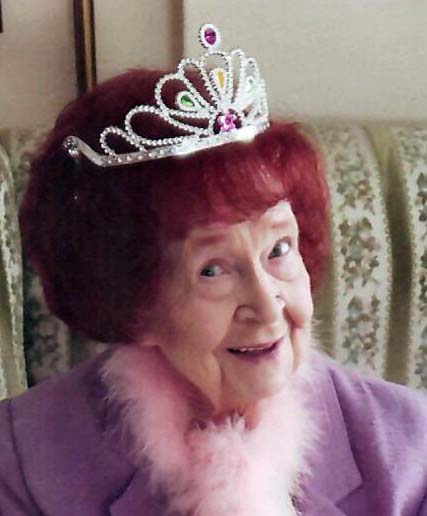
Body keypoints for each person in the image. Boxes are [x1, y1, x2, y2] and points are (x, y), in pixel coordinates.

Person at [1, 24, 427, 516]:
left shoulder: (411, 454)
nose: (267, 305)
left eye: (279, 248)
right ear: (136, 301)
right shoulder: (22, 464)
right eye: (212, 270)